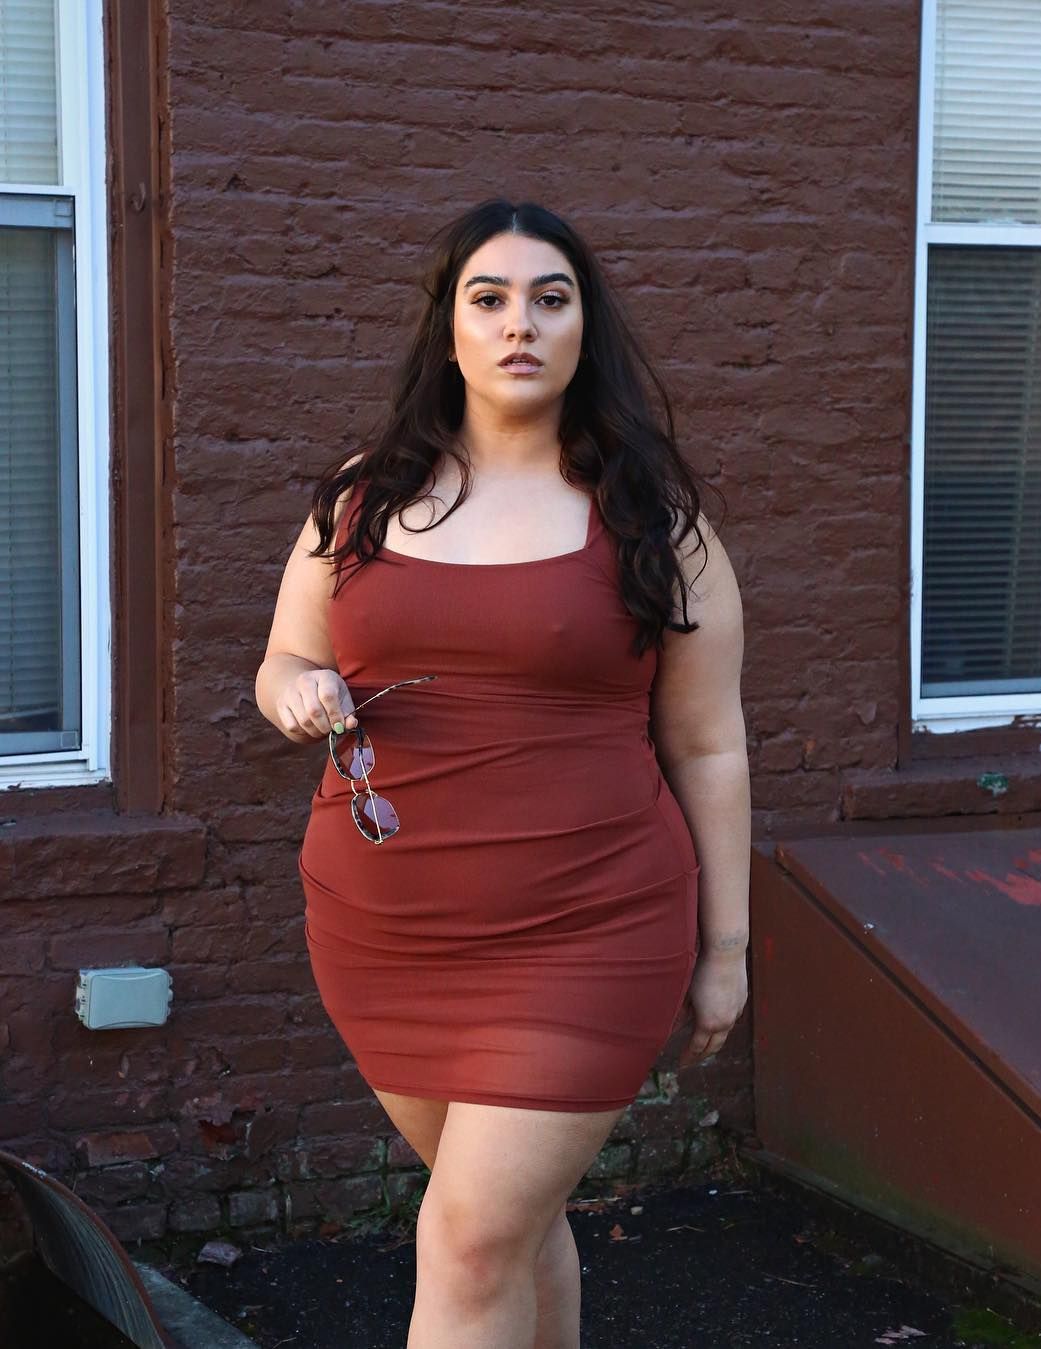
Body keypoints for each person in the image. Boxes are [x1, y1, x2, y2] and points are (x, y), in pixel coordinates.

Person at [255, 199, 751, 1349]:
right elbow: (286, 656)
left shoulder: (653, 519)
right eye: (489, 298)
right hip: (385, 930)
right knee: (510, 1229)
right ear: (449, 330)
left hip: (590, 927)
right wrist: (294, 690)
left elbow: (709, 742)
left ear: (585, 329)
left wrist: (724, 949)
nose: (519, 322)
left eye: (549, 298)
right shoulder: (363, 497)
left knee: (469, 1241)